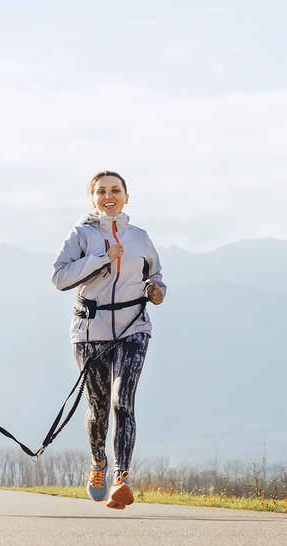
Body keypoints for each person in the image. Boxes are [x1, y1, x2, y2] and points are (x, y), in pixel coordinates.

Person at [52, 170, 166, 509]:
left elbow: (155, 274)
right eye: (101, 191)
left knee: (123, 401)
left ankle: (122, 478)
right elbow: (59, 277)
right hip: (91, 330)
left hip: (133, 327)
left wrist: (156, 291)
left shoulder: (140, 237)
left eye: (115, 190)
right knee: (99, 407)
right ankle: (98, 463)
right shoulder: (80, 234)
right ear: (93, 198)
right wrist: (102, 258)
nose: (108, 195)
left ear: (126, 197)